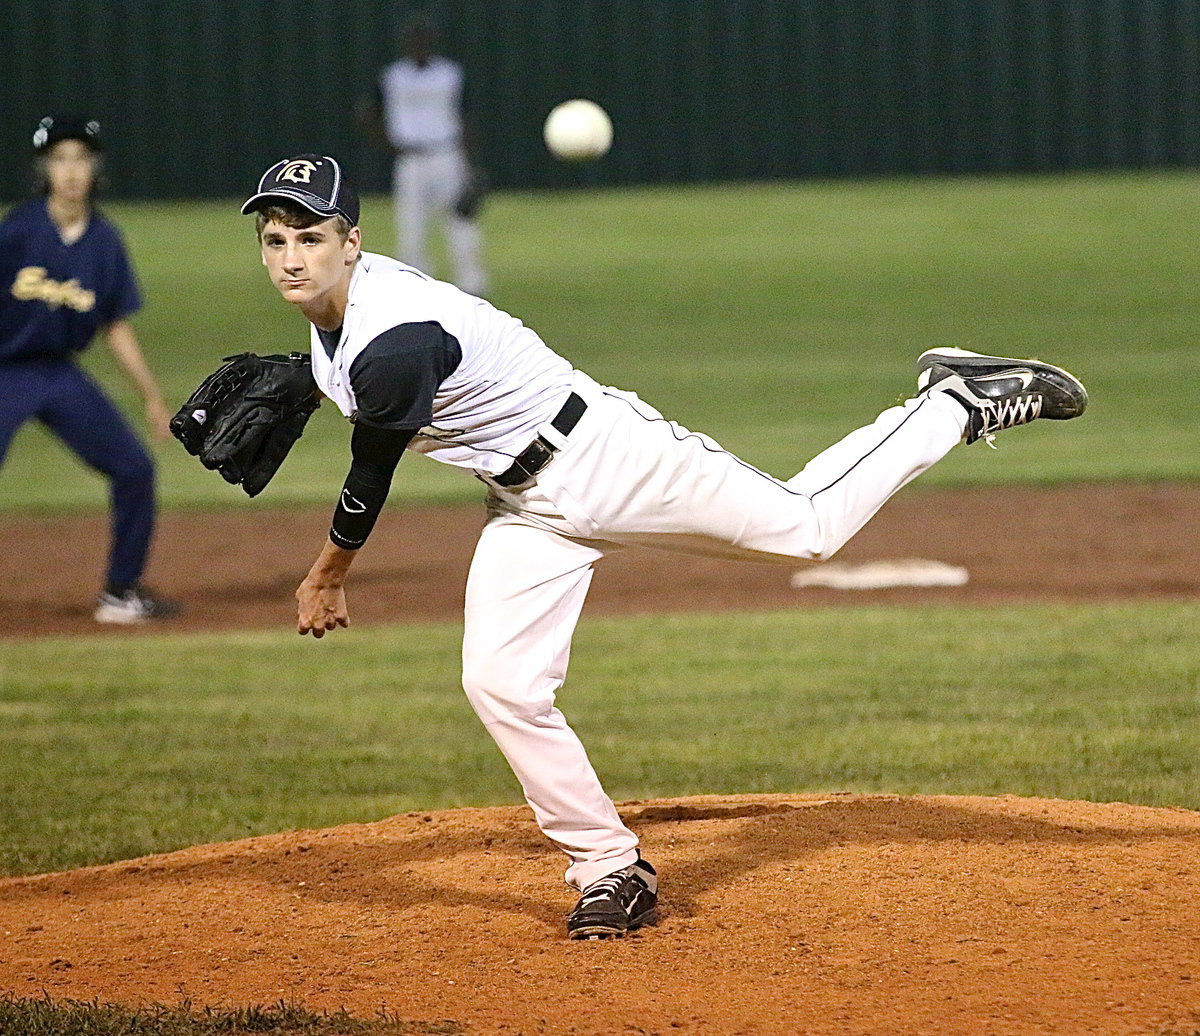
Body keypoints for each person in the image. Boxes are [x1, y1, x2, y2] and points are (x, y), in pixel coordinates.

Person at [239, 153, 1087, 939]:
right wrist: (318, 387)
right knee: (500, 683)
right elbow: (373, 386)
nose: (291, 258)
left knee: (808, 528)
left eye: (311, 237)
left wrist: (327, 574)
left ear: (353, 242)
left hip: (610, 456)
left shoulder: (392, 336)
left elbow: (371, 466)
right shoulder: (339, 322)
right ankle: (610, 867)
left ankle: (955, 400)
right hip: (527, 506)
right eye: (276, 240)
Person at [0, 116, 178, 625]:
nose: (72, 171)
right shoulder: (17, 230)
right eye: (60, 159)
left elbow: (114, 324)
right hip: (5, 372)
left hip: (59, 375)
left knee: (135, 469)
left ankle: (121, 593)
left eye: (81, 159)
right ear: (45, 169)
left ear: (95, 168)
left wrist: (151, 396)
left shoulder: (104, 241)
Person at [358, 14, 488, 296]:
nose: (419, 45)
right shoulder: (393, 76)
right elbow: (367, 113)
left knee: (461, 220)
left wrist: (470, 166)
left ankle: (472, 285)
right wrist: (389, 144)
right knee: (411, 226)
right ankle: (415, 290)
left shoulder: (450, 74)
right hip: (411, 158)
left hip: (446, 153)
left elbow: (466, 118)